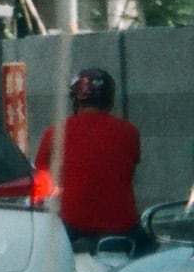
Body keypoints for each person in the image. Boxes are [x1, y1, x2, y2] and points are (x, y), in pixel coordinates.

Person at [35, 68, 142, 249]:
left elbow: (40, 180)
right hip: (123, 228)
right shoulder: (130, 131)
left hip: (72, 228)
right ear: (109, 98)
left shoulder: (55, 132)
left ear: (76, 99)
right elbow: (129, 173)